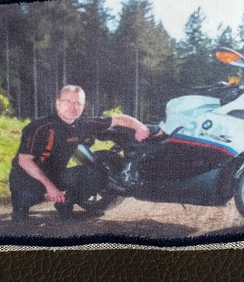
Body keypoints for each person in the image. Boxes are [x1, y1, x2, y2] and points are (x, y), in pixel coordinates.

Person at [9, 84, 150, 220]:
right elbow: (24, 161)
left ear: (83, 106)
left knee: (98, 174)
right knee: (30, 197)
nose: (73, 107)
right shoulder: (39, 127)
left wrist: (140, 127)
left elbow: (119, 119)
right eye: (68, 102)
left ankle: (65, 204)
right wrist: (49, 187)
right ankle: (20, 207)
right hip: (26, 176)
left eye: (78, 103)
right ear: (58, 103)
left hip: (56, 175)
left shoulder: (83, 125)